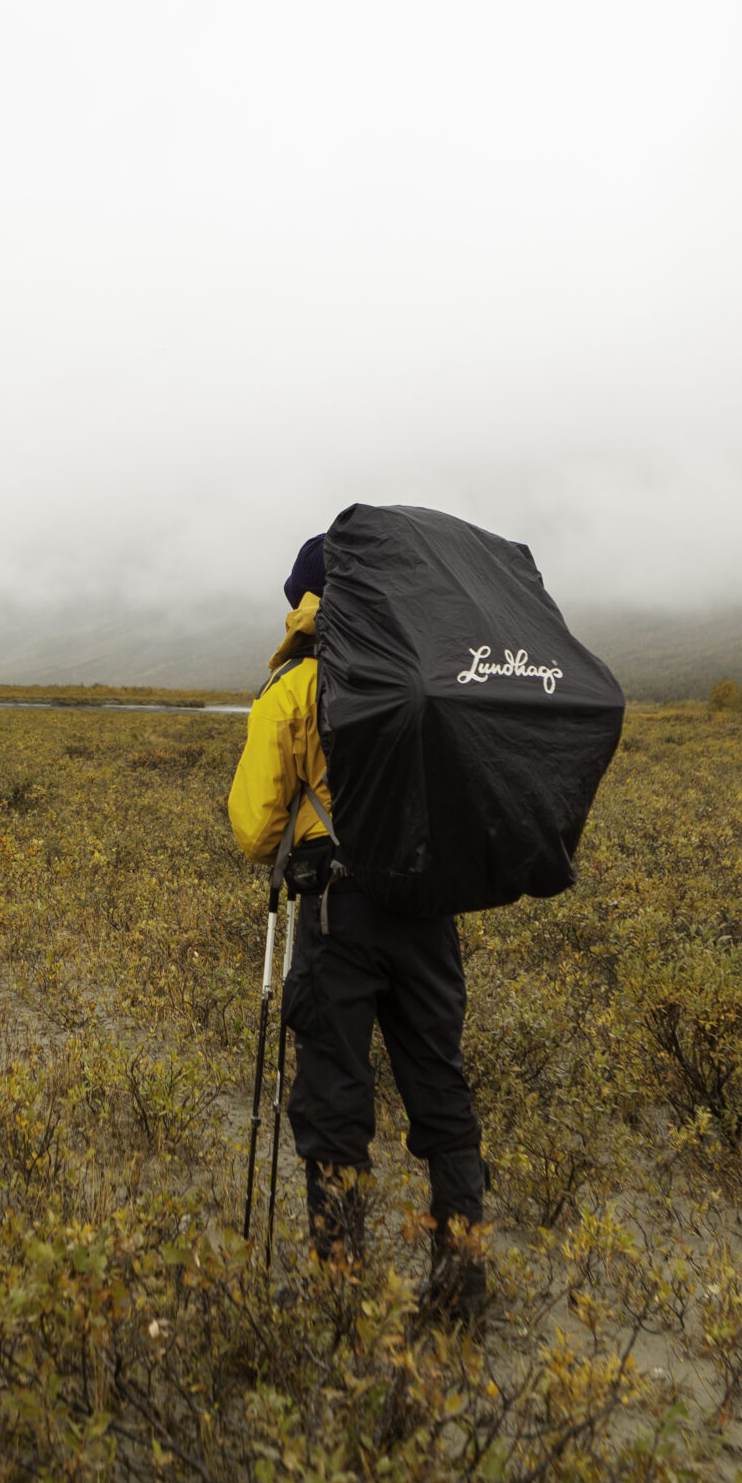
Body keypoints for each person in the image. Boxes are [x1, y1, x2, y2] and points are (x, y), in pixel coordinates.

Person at [227, 534, 488, 1325]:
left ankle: (340, 1291)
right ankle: (461, 1286)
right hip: (428, 909)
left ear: (305, 601)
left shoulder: (294, 690)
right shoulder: (433, 680)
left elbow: (253, 829)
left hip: (340, 916)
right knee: (439, 1085)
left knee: (334, 1097)